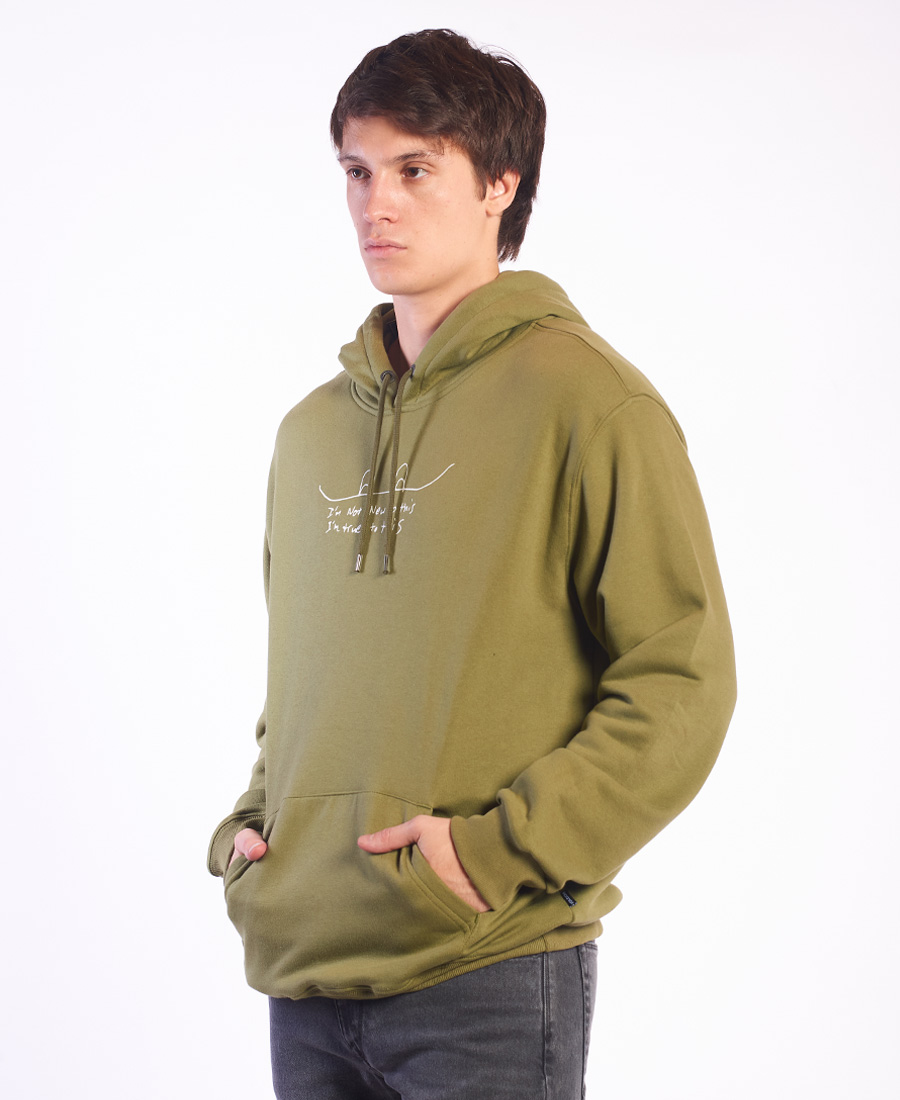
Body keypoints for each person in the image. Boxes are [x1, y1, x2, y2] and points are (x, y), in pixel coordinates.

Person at [207, 27, 737, 1099]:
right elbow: (301, 688)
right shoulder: (310, 433)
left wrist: (497, 851)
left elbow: (681, 680)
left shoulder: (588, 401)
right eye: (358, 171)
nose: (377, 205)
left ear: (501, 183)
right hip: (303, 971)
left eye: (415, 170)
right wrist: (257, 830)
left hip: (486, 969)